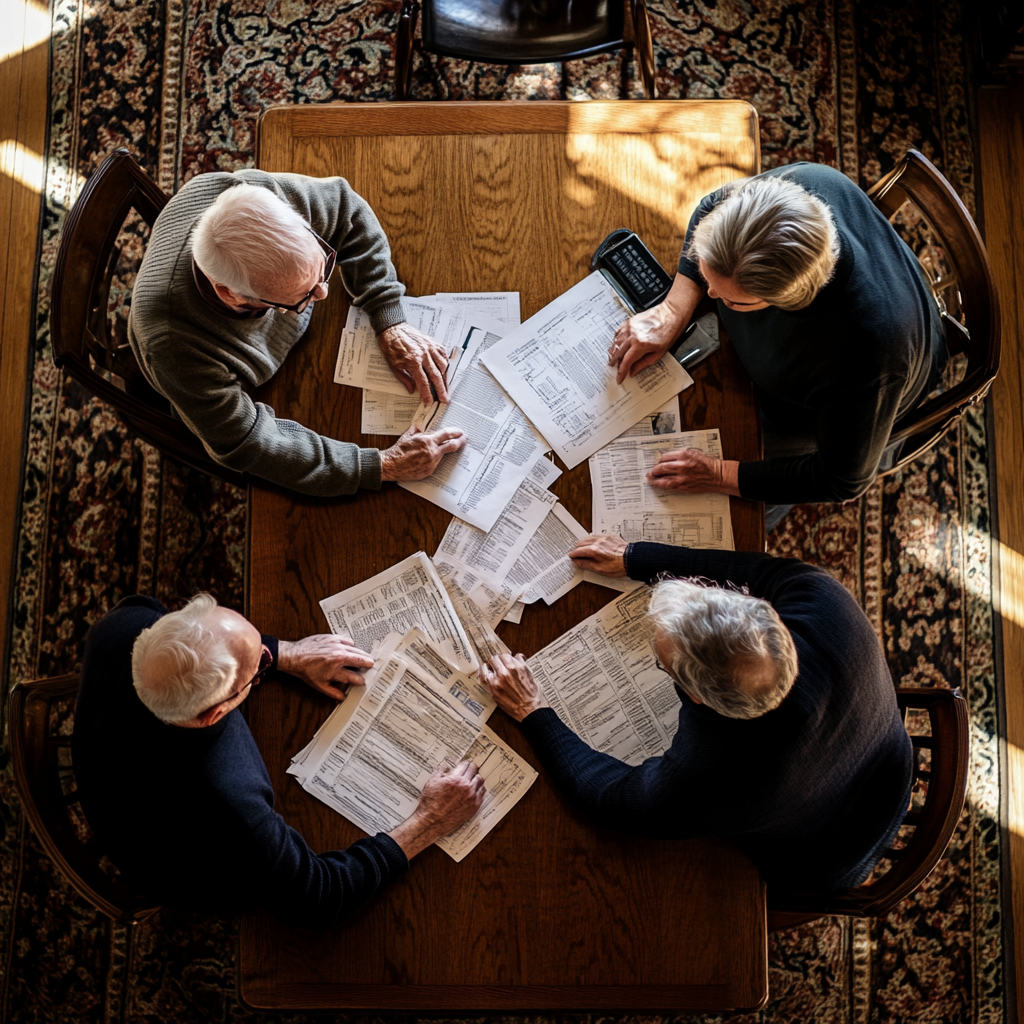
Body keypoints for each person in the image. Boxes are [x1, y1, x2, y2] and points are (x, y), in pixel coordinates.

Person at [479, 534, 913, 890]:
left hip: (824, 855)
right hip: (888, 761)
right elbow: (760, 570)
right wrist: (638, 558)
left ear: (699, 698)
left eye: (661, 662)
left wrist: (532, 710)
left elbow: (610, 799)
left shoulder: (718, 776)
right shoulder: (826, 598)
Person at [71, 594, 484, 930]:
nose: (268, 657)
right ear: (215, 712)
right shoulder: (228, 800)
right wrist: (430, 821)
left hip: (108, 767)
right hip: (183, 862)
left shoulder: (120, 628)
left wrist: (285, 653)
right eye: (261, 667)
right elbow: (319, 899)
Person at [608, 164, 948, 530]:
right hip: (871, 320)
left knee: (736, 521)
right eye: (708, 278)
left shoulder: (865, 354)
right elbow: (710, 207)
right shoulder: (811, 182)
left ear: (789, 299)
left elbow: (843, 480)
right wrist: (674, 308)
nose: (711, 295)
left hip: (845, 404)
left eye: (733, 301)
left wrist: (719, 474)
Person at [128, 171, 466, 495]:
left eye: (323, 265)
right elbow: (245, 442)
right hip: (235, 389)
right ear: (232, 295)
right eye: (303, 296)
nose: (323, 293)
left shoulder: (255, 197)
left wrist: (388, 315)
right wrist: (381, 465)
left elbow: (346, 209)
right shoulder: (173, 345)